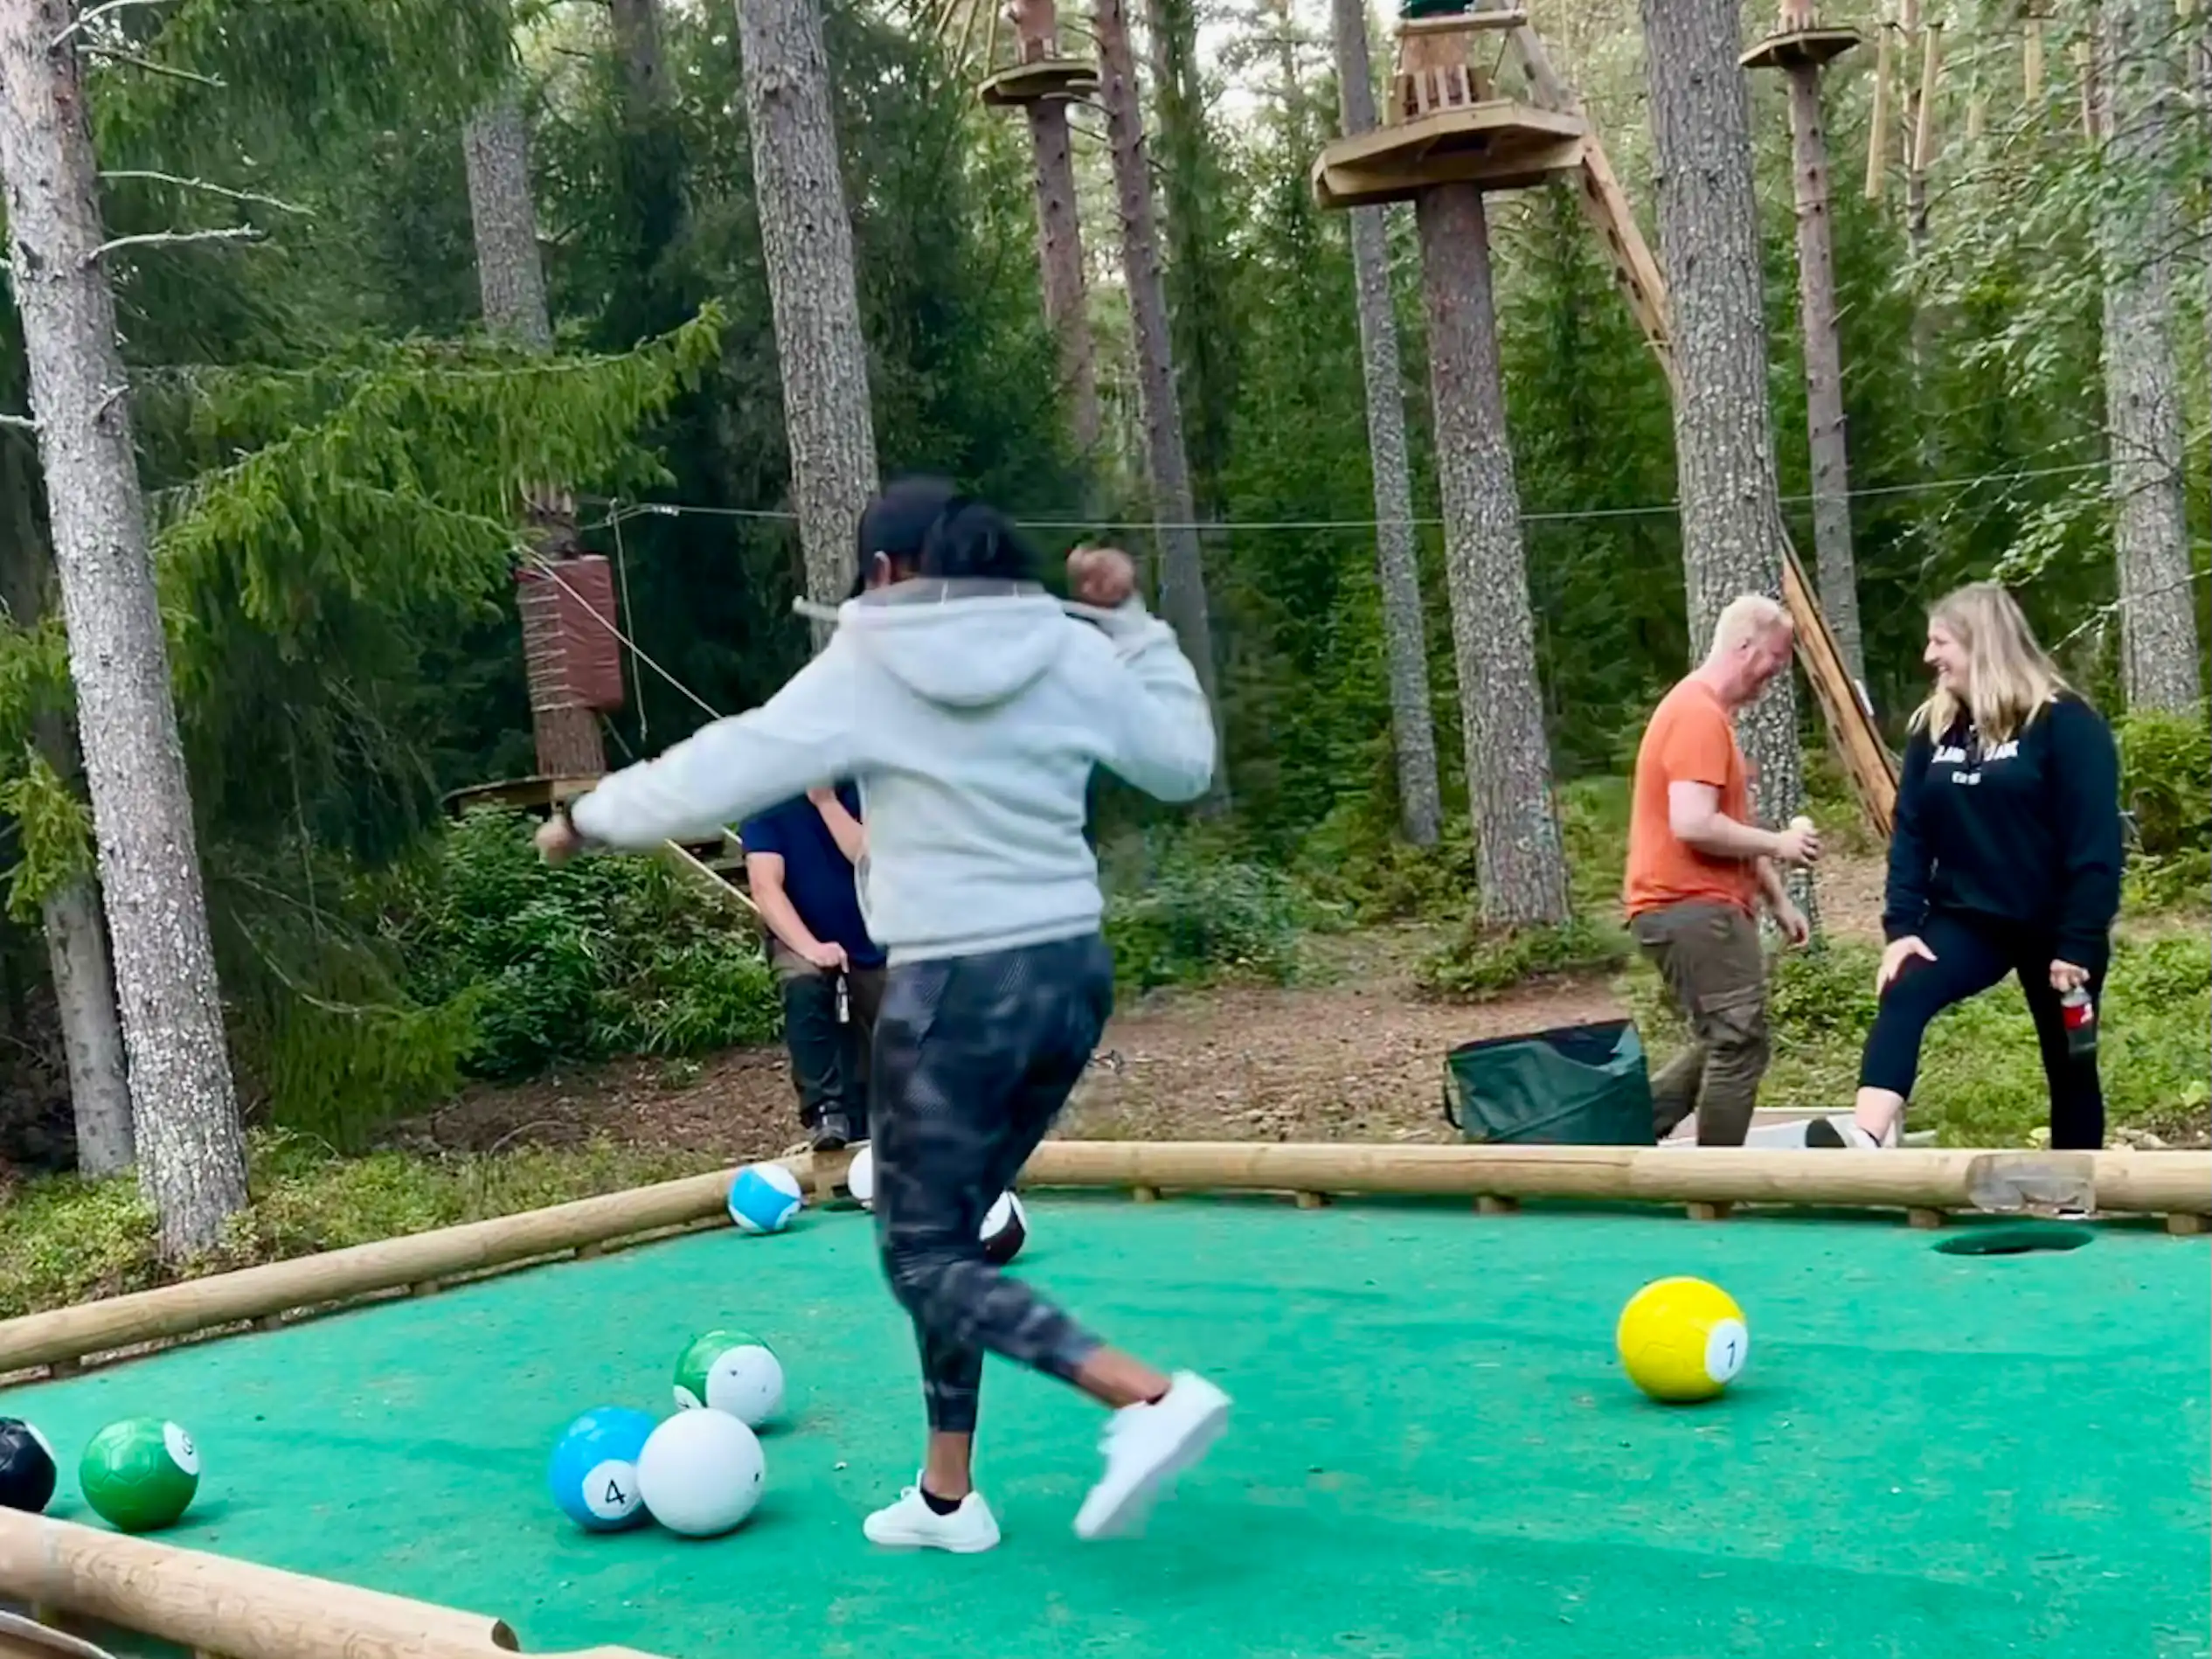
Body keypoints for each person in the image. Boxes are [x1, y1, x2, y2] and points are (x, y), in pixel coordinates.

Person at [534, 475, 1229, 1552]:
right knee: (949, 1227)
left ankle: (1144, 1396)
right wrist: (1134, 627)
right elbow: (1183, 764)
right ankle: (947, 1494)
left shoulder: (874, 660)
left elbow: (732, 759)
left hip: (957, 988)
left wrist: (591, 815)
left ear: (886, 572)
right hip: (1069, 979)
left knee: (920, 1252)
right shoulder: (1065, 646)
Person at [1806, 582, 2123, 1152]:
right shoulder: (1935, 728)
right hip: (1970, 919)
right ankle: (1865, 1140)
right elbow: (1910, 833)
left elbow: (2095, 843)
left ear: (1982, 643)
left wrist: (2078, 941)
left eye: (1940, 642)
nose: (1929, 655)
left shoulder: (2065, 724)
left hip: (2054, 925)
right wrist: (1901, 928)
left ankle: (2076, 1189)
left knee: (2069, 1064)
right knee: (1904, 988)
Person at [1622, 593, 1821, 1145]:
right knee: (1740, 1043)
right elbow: (1694, 824)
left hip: (1692, 907)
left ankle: (1618, 1137)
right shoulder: (1697, 715)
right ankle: (1717, 1179)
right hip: (1688, 905)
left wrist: (1778, 899)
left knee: (1724, 1036)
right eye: (1775, 658)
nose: (1776, 674)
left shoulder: (1709, 718)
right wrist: (1781, 844)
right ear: (1744, 646)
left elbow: (1729, 826)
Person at [741, 782, 883, 1152]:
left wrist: (826, 802)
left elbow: (870, 862)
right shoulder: (765, 800)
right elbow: (766, 887)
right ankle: (825, 1110)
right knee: (802, 981)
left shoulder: (869, 786)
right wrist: (810, 947)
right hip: (802, 935)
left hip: (877, 937)